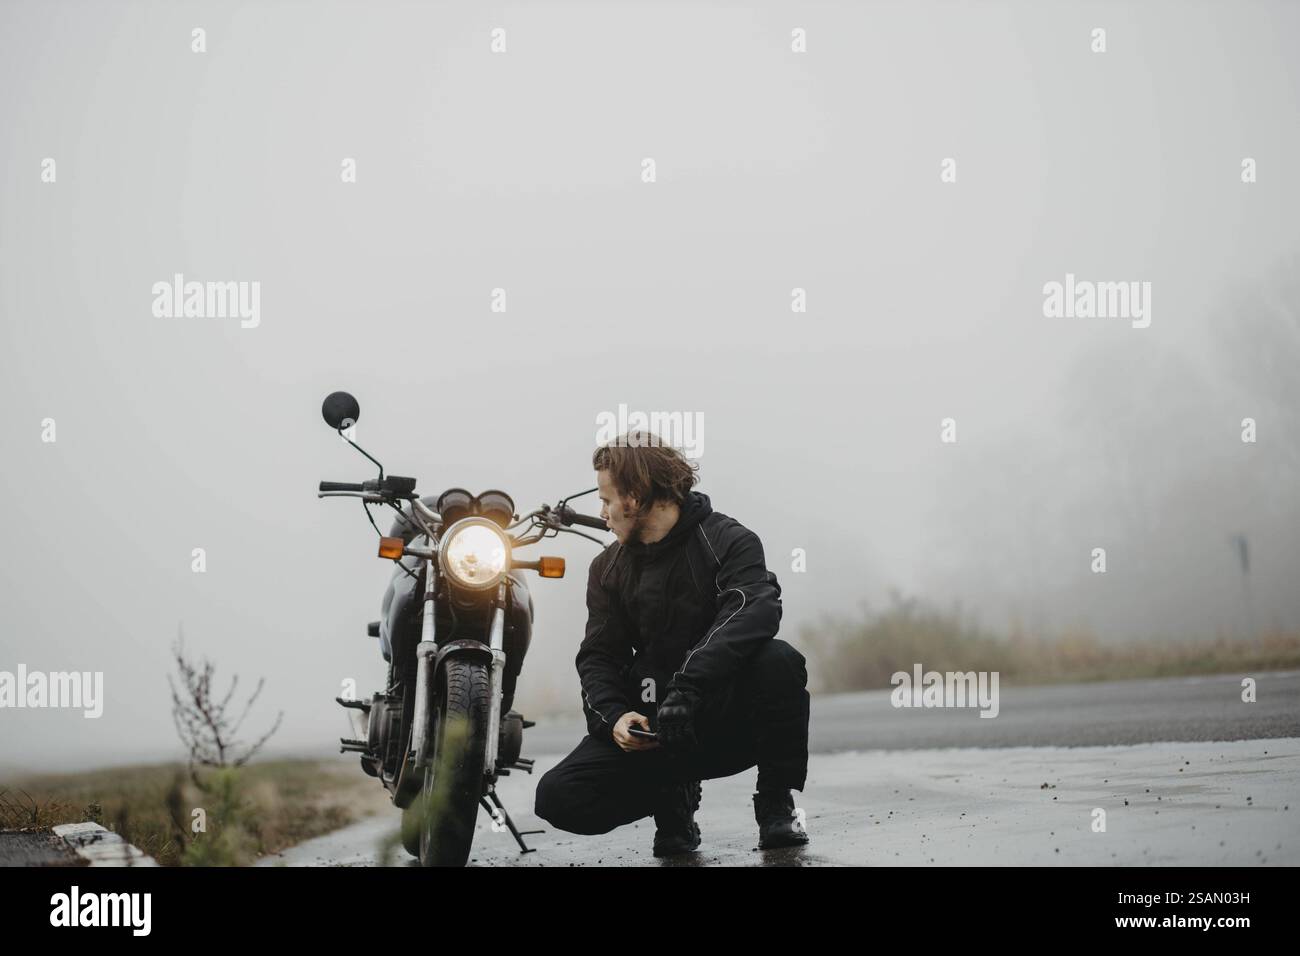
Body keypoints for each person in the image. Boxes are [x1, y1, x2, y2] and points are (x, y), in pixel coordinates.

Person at [533, 432, 811, 855]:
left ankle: (776, 803)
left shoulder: (730, 541)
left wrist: (688, 687)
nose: (602, 512)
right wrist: (614, 719)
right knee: (558, 797)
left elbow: (753, 610)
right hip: (655, 732)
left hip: (721, 723)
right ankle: (672, 799)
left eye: (607, 500)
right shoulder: (607, 569)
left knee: (780, 661)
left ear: (637, 496)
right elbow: (598, 657)